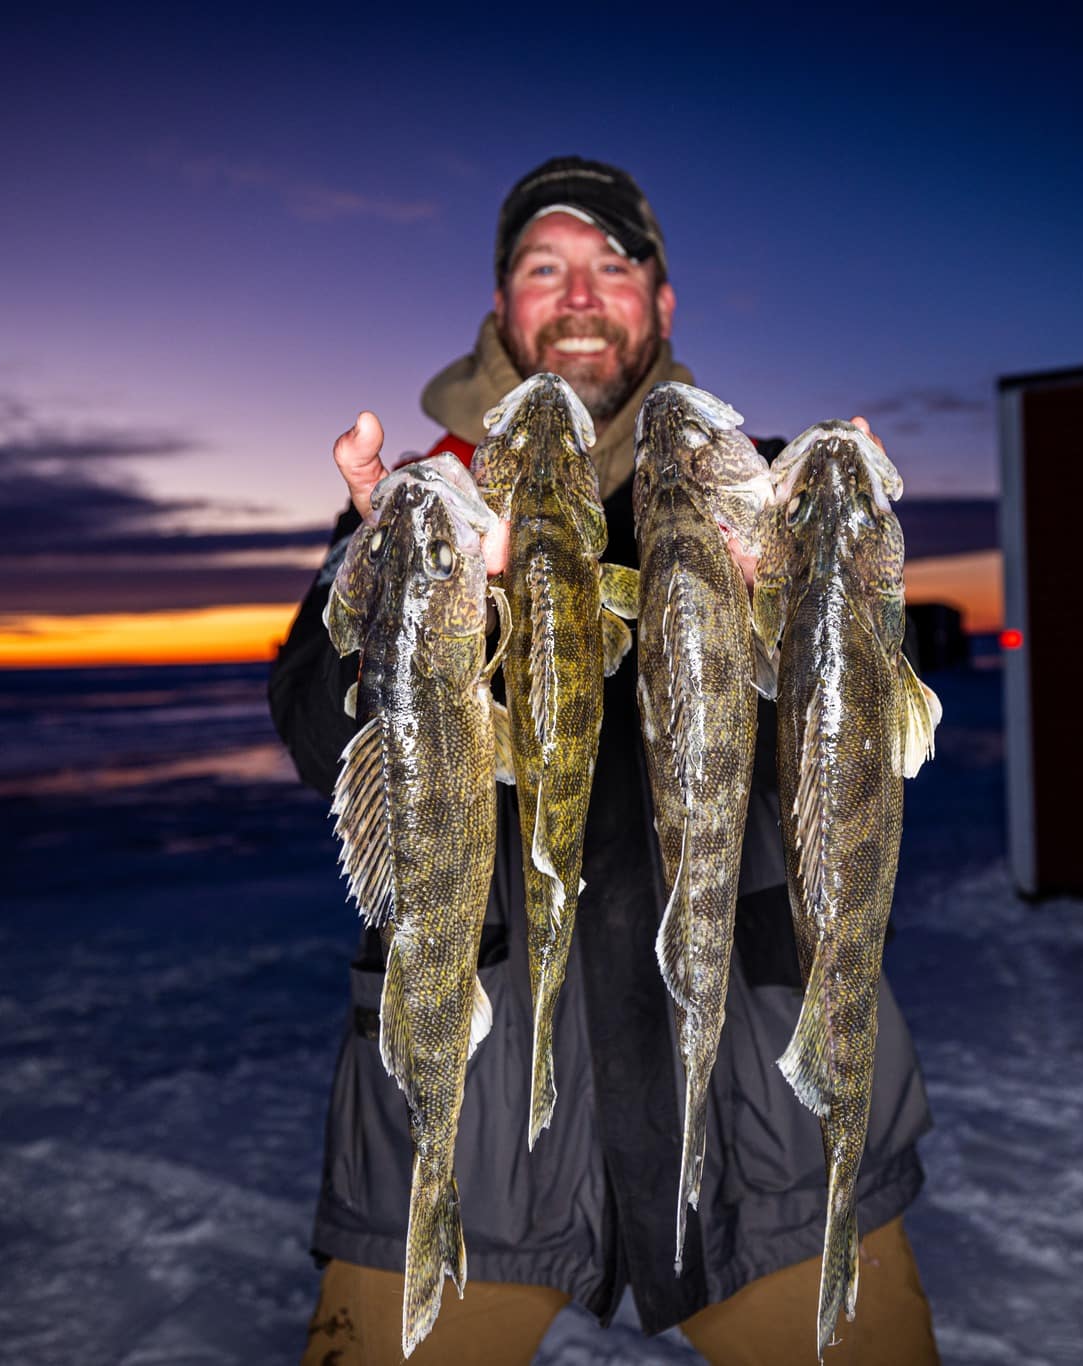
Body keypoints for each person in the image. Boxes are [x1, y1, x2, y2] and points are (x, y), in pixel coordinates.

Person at [269, 156, 939, 1365]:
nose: (578, 297)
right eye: (543, 267)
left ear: (662, 303)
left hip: (764, 1108)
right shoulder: (426, 495)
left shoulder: (763, 484)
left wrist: (824, 594)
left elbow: (871, 741)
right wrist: (402, 603)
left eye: (610, 265)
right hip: (465, 1124)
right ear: (500, 304)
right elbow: (316, 731)